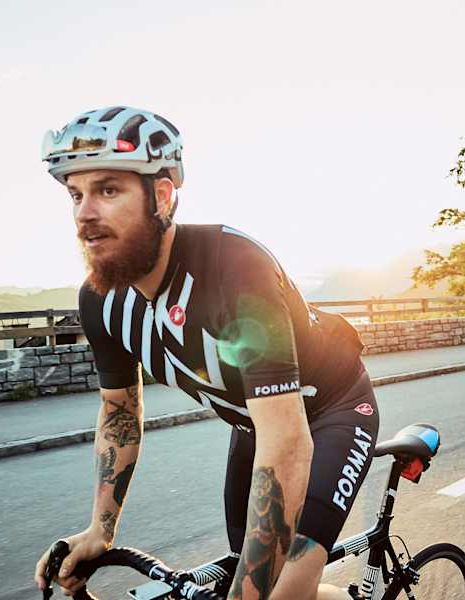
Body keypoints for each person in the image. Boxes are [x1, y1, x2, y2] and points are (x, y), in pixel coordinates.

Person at [33, 106, 379, 600]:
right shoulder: (99, 299)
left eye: (108, 190)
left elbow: (288, 442)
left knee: (278, 590)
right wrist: (99, 531)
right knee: (248, 572)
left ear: (163, 196)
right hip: (254, 426)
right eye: (75, 194)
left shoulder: (233, 268)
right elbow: (119, 411)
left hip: (331, 413)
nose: (85, 213)